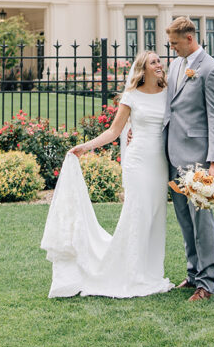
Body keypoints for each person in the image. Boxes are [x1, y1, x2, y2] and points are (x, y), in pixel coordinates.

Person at [41, 49, 174, 298]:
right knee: (137, 214)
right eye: (153, 62)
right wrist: (85, 146)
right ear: (142, 69)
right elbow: (114, 132)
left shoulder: (168, 93)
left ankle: (151, 272)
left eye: (159, 61)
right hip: (137, 162)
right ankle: (131, 274)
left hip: (159, 163)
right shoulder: (131, 96)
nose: (159, 64)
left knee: (156, 215)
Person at [165, 16, 214, 302]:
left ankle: (207, 282)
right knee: (184, 220)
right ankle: (192, 275)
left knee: (201, 221)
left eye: (175, 43)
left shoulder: (211, 69)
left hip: (199, 159)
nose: (172, 48)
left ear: (189, 39)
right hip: (174, 156)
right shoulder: (176, 65)